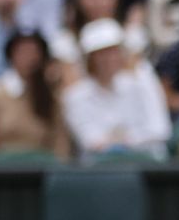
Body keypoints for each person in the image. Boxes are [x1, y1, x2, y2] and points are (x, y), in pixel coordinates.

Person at [63, 18, 172, 159]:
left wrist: (124, 140)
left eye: (114, 51)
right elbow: (90, 141)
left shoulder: (142, 83)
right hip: (101, 171)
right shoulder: (75, 96)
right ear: (90, 59)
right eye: (101, 53)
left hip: (146, 164)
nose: (109, 59)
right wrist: (122, 142)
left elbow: (160, 129)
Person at [0, 30, 73, 163]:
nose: (28, 57)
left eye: (34, 52)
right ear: (11, 56)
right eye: (22, 52)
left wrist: (57, 168)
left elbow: (61, 142)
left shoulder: (52, 96)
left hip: (41, 172)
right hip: (0, 173)